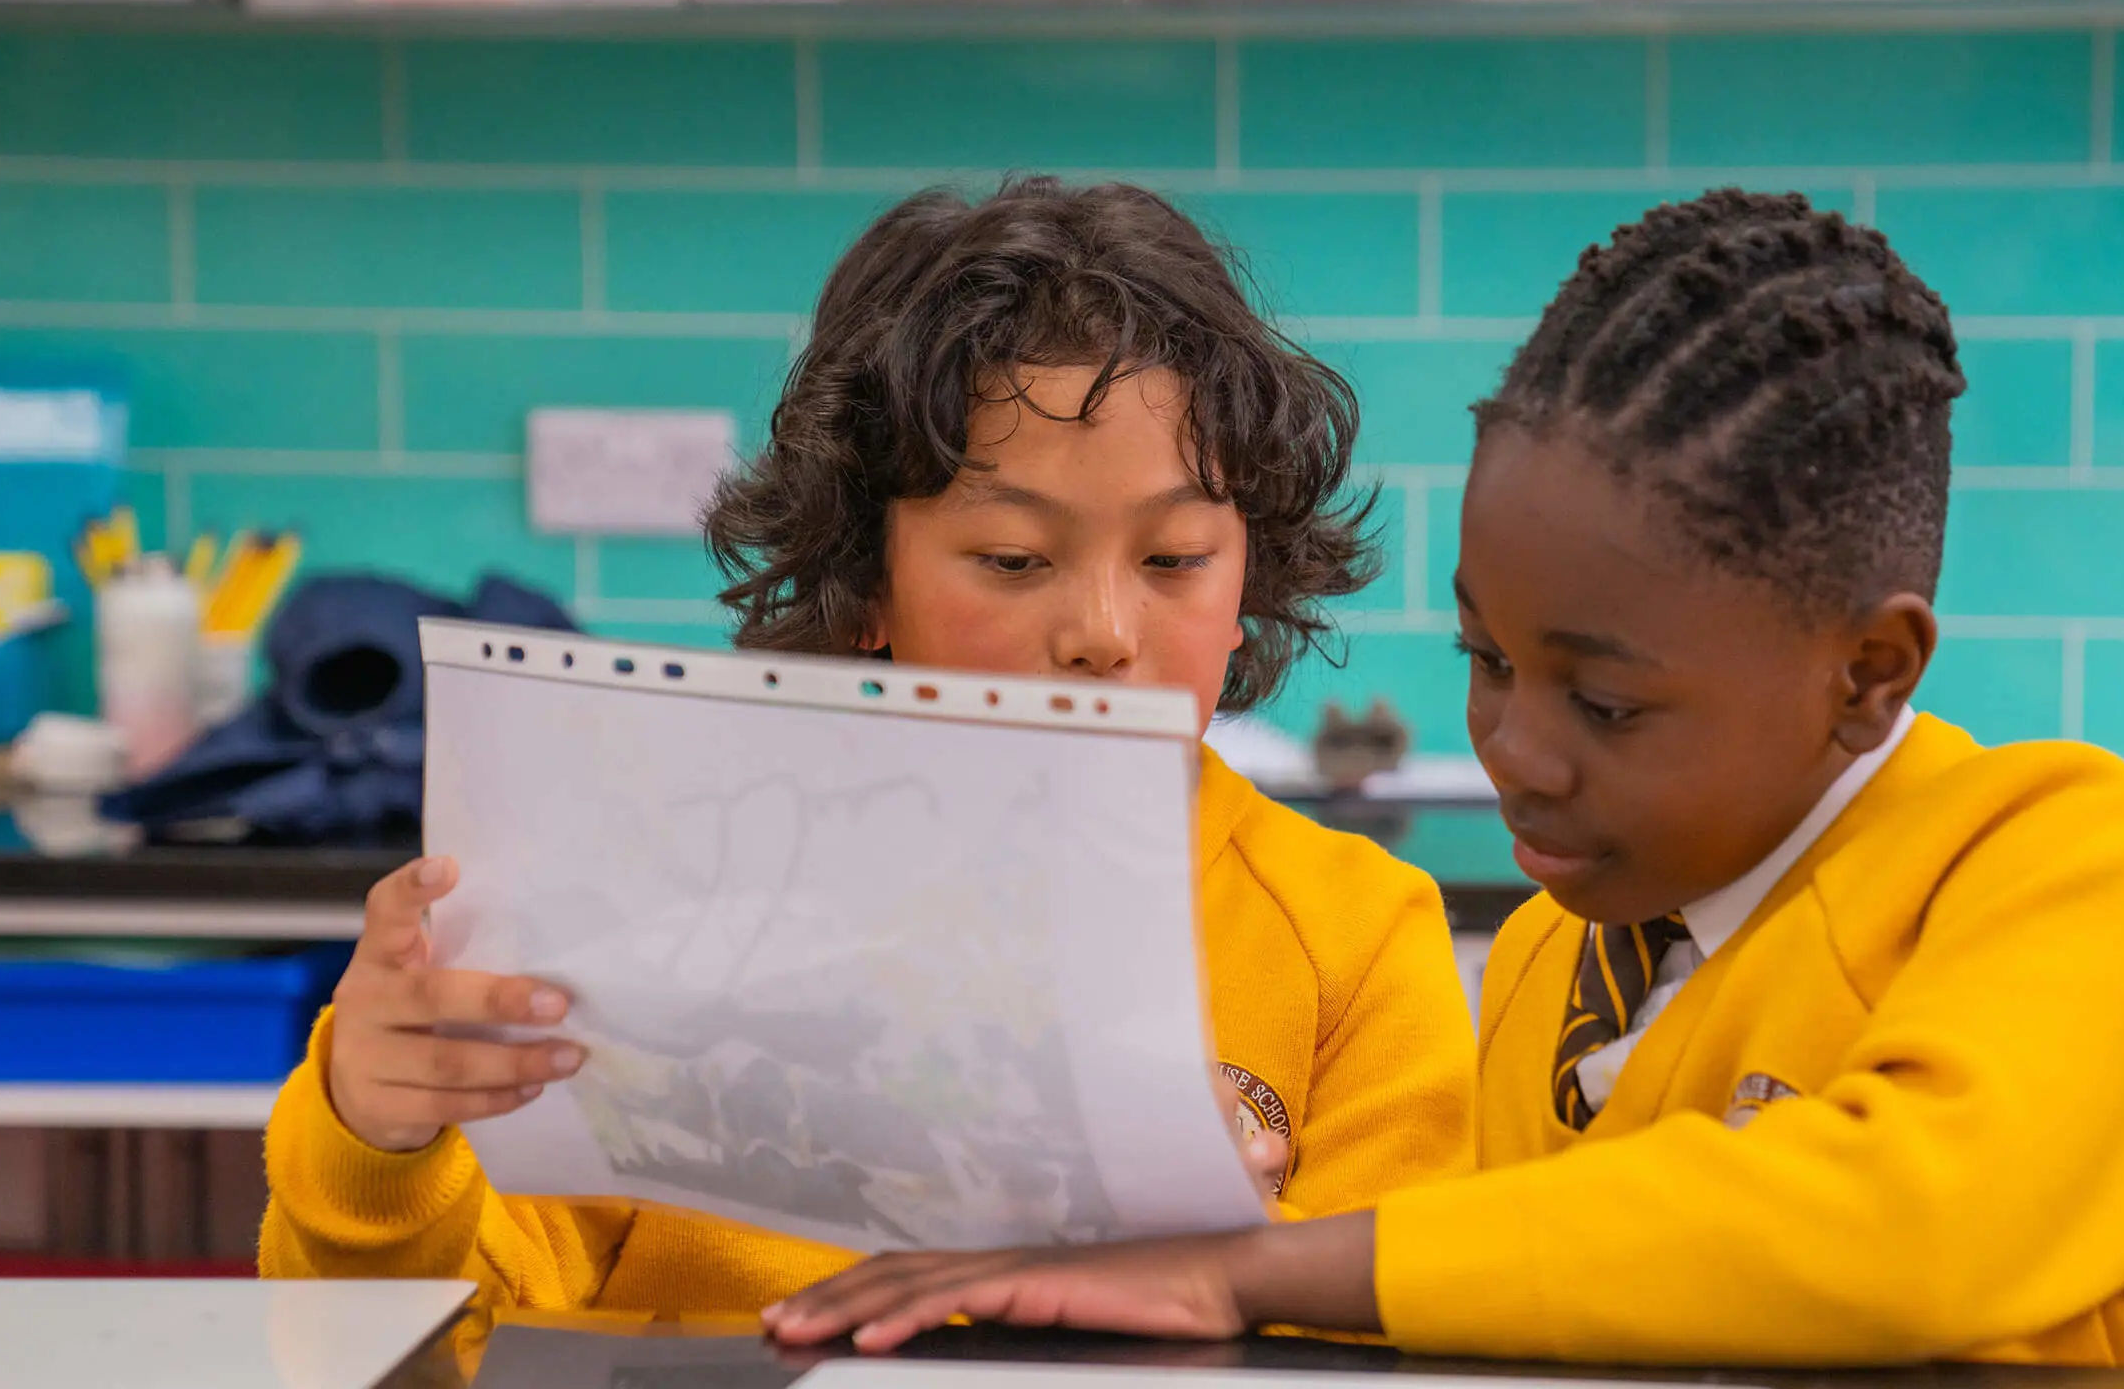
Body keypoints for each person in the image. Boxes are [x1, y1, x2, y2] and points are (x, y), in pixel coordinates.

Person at [761, 189, 2124, 1371]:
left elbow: (1916, 1221)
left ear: (1870, 673)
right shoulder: (1560, 957)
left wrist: (1252, 1256)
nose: (1512, 753)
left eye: (1607, 701)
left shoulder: (2050, 853)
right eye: (1487, 662)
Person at [258, 179, 1478, 1340]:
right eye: (1012, 559)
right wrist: (378, 1138)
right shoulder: (667, 895)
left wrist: (1227, 1250)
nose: (1104, 635)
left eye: (1174, 561)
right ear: (866, 587)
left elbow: (1393, 1343)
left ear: (1250, 572)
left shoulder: (1355, 939)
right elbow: (456, 1336)